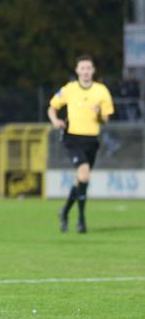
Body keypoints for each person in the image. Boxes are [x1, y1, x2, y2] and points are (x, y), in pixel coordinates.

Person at [48, 55, 114, 234]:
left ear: (93, 70)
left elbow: (105, 120)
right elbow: (52, 107)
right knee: (84, 173)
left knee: (81, 179)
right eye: (82, 68)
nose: (85, 71)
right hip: (73, 138)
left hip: (91, 140)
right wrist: (55, 121)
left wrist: (99, 113)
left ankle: (65, 211)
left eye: (88, 68)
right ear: (77, 70)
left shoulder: (101, 91)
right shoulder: (69, 89)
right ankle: (81, 220)